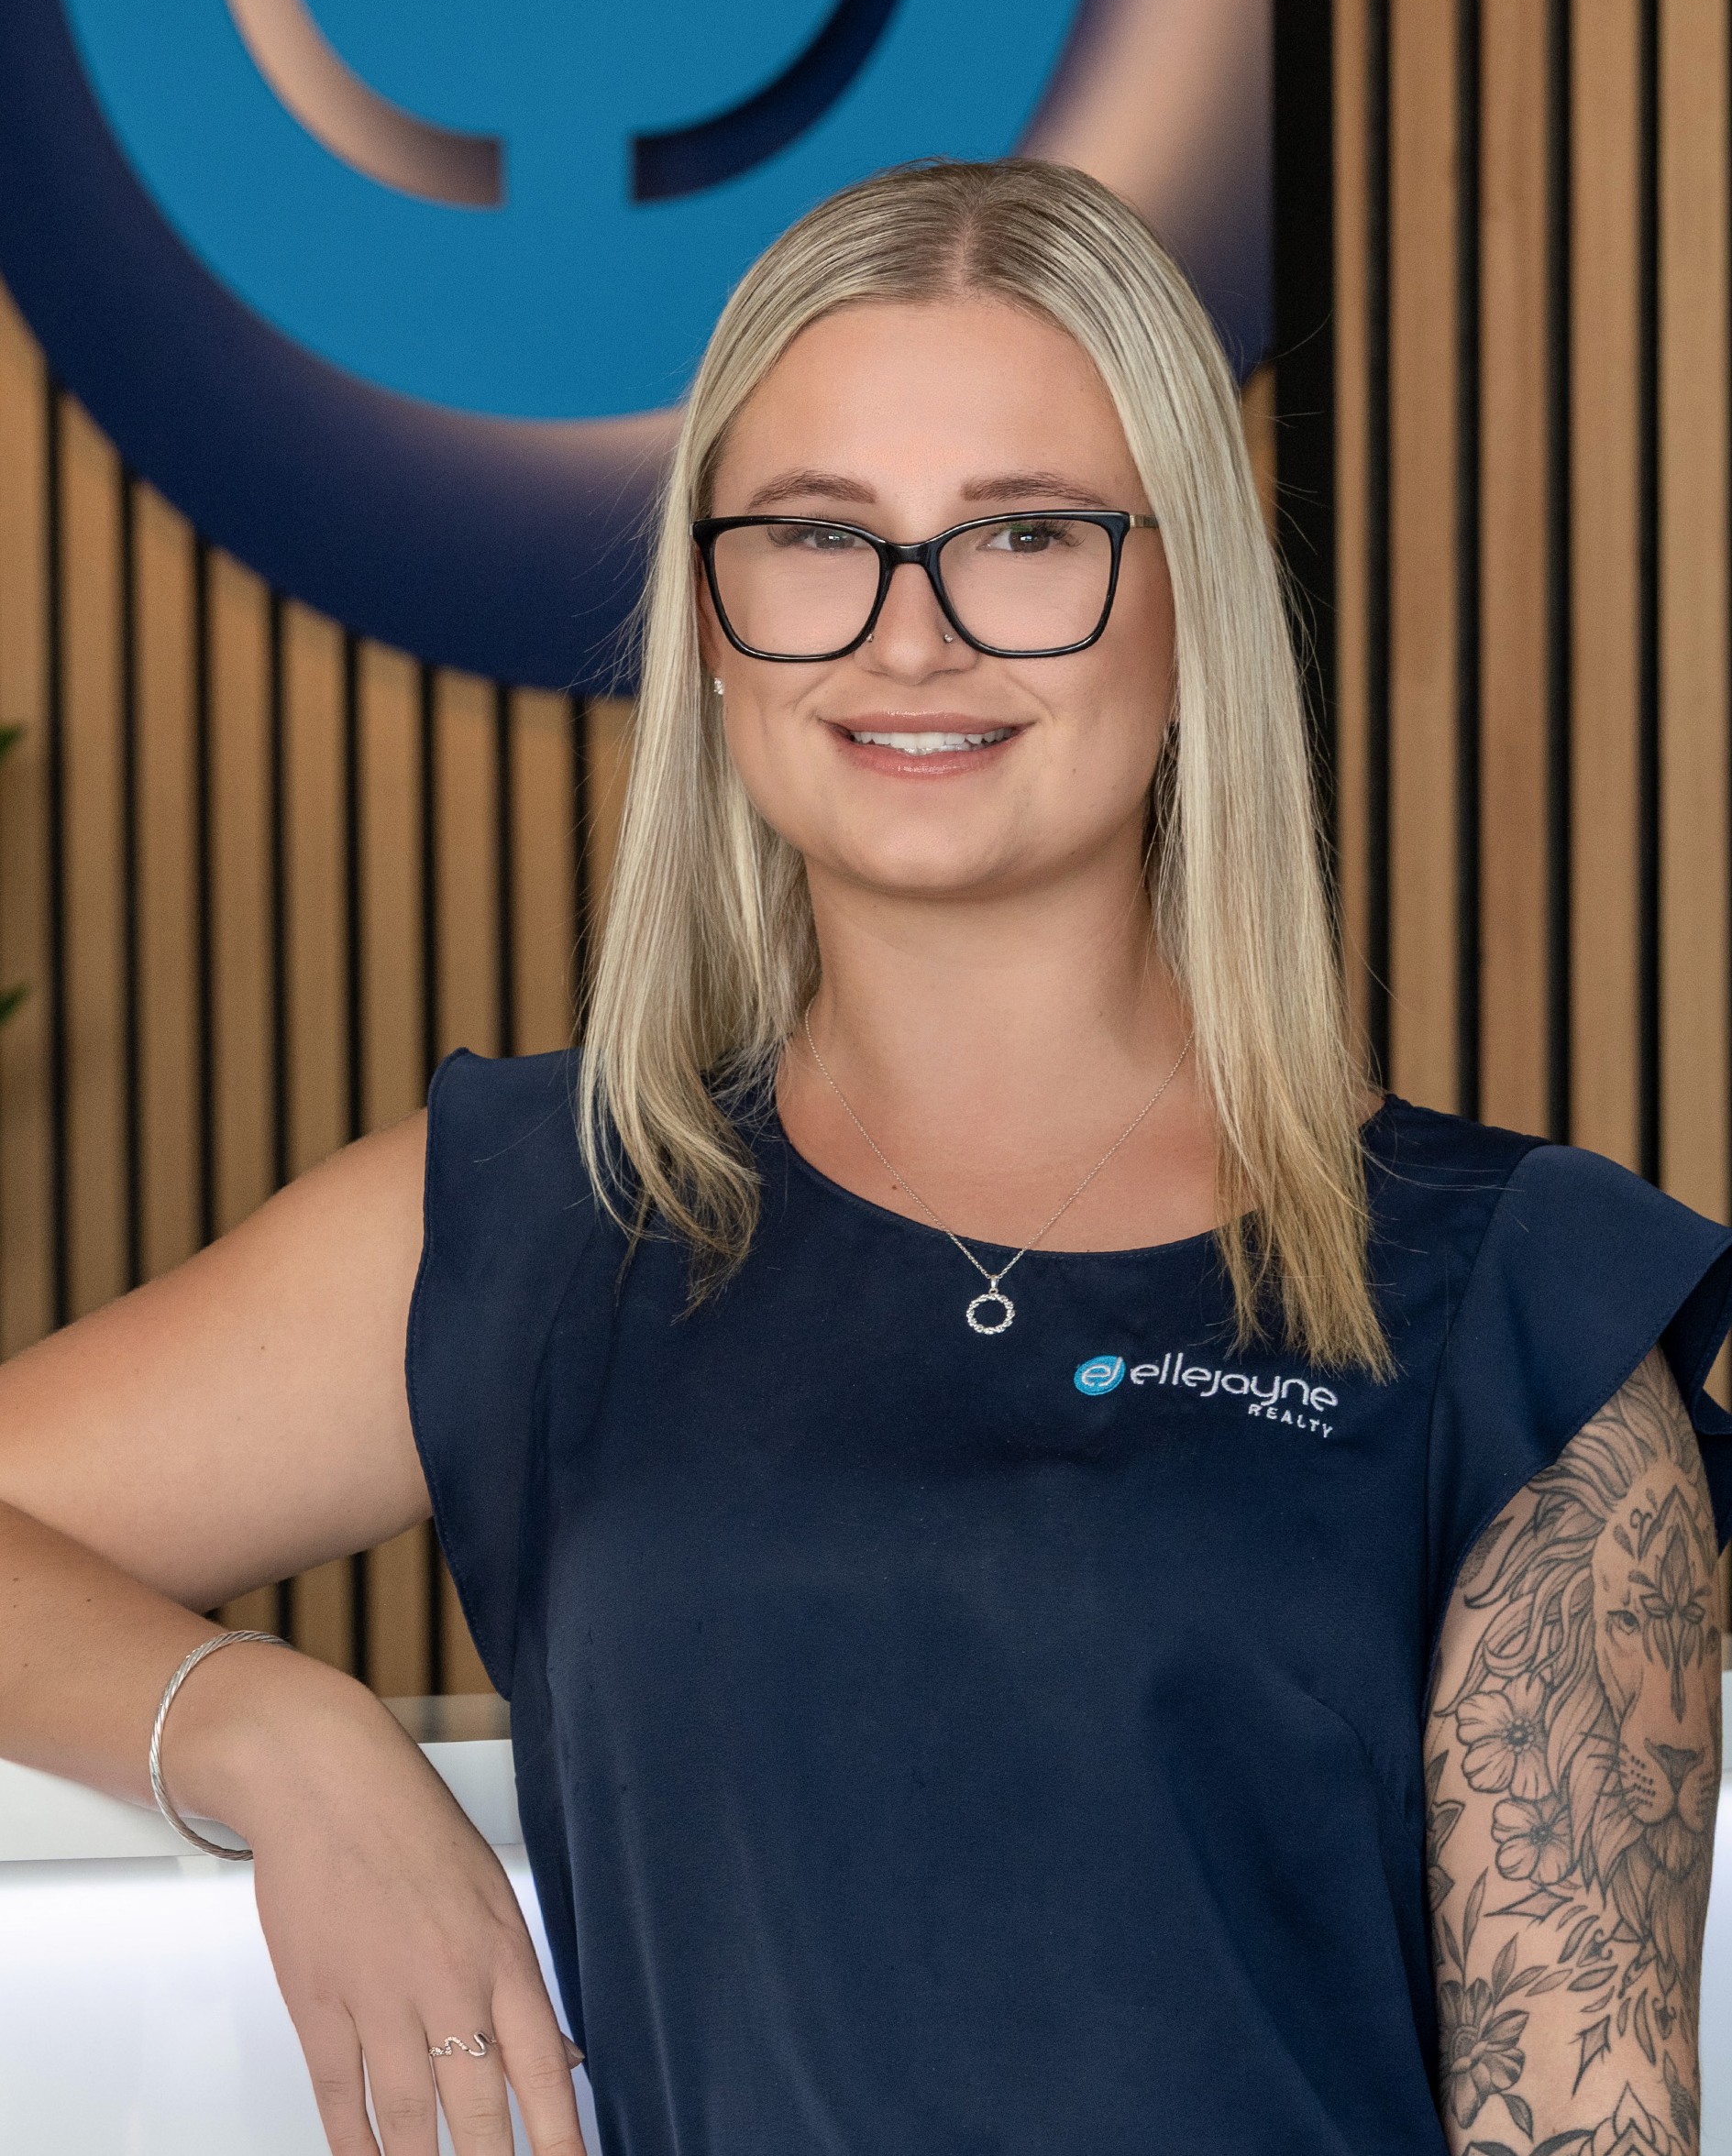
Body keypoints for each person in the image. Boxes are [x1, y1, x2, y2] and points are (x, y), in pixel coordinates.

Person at [0, 158, 1726, 2156]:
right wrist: (271, 1731)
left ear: (1195, 608)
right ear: (713, 624)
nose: (911, 638)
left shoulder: (1512, 1304)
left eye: (1026, 534)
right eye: (818, 538)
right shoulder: (550, 1217)